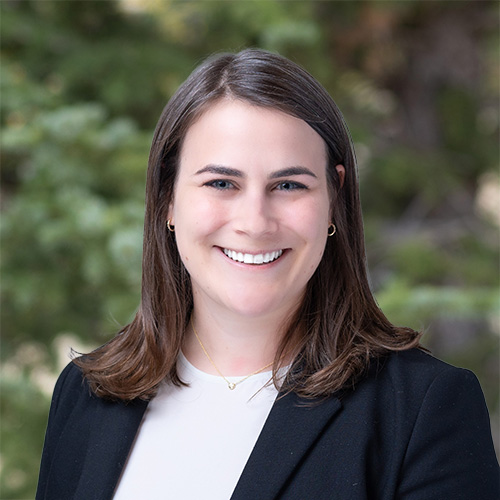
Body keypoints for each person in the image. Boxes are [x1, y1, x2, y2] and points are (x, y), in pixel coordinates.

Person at [36, 48, 499, 500]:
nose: (255, 222)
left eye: (289, 185)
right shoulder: (85, 394)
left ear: (333, 198)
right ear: (168, 198)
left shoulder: (423, 409)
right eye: (221, 183)